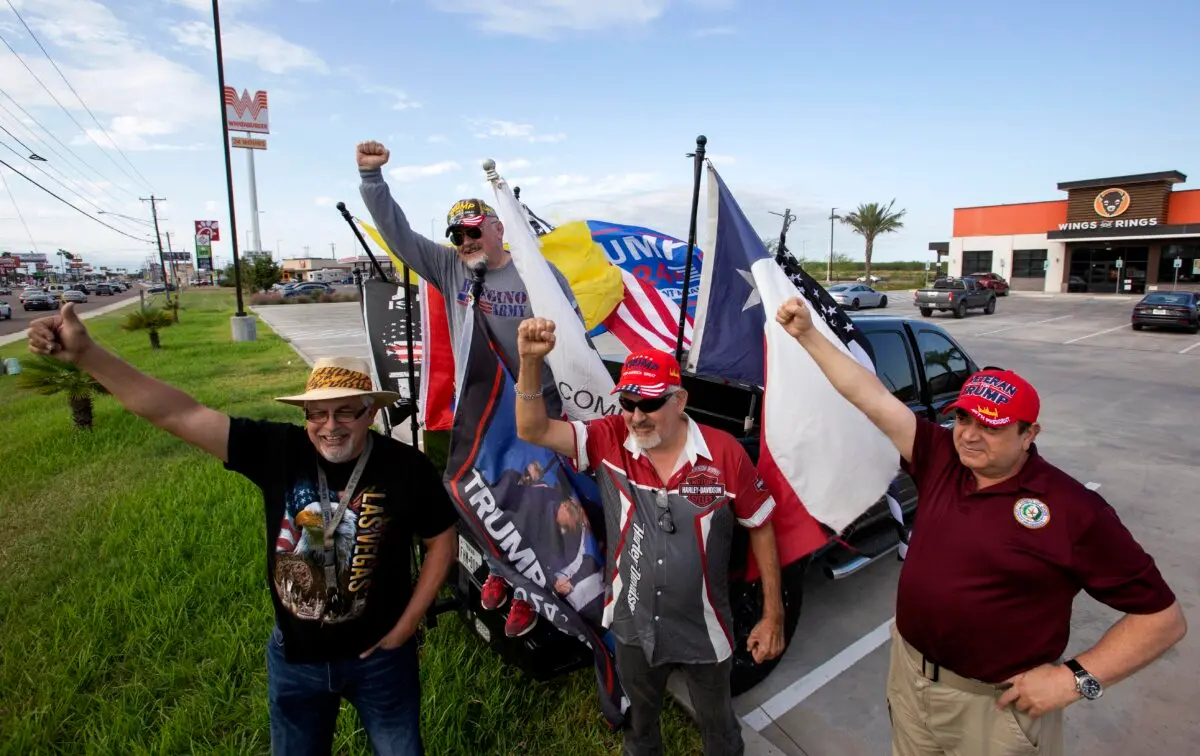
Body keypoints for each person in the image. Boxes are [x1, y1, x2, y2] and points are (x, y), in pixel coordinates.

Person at [28, 304, 458, 756]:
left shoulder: (405, 466)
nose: (330, 427)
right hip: (295, 660)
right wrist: (88, 354)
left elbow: (441, 540)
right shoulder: (279, 450)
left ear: (370, 412)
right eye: (317, 414)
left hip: (380, 660)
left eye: (346, 412)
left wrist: (407, 626)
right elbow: (177, 414)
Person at [774, 296, 1186, 756]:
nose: (969, 434)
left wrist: (1077, 680)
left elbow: (1163, 620)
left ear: (1029, 435)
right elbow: (869, 396)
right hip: (912, 681)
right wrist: (807, 334)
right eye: (964, 418)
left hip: (996, 711)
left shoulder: (1074, 510)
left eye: (990, 427)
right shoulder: (941, 457)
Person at [512, 317, 785, 756]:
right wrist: (528, 362)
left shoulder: (725, 452)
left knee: (720, 730)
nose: (636, 415)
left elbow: (762, 525)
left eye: (650, 403)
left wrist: (773, 615)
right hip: (633, 626)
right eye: (628, 402)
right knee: (639, 730)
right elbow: (533, 429)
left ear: (680, 400)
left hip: (706, 627)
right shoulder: (609, 438)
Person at [358, 139, 581, 638]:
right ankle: (501, 574)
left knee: (534, 502)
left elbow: (573, 344)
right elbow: (398, 234)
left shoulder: (539, 277)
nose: (465, 241)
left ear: (499, 229)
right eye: (456, 234)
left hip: (532, 408)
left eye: (474, 231)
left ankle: (532, 592)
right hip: (477, 411)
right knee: (483, 500)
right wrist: (372, 180)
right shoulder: (451, 267)